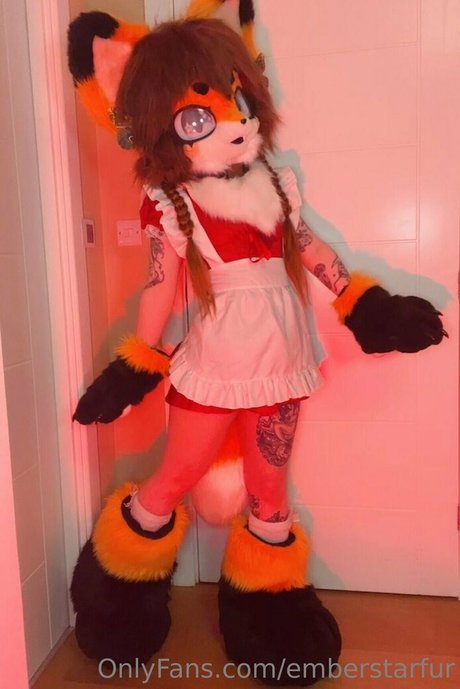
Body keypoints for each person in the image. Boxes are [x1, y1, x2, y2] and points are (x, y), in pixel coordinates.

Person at [68, 5, 446, 685]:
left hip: (282, 361)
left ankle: (270, 616)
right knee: (175, 479)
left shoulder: (274, 184)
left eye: (238, 101)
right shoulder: (173, 201)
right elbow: (159, 286)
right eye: (200, 117)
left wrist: (364, 304)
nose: (236, 123)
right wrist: (137, 363)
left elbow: (309, 248)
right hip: (214, 367)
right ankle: (117, 593)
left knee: (269, 492)